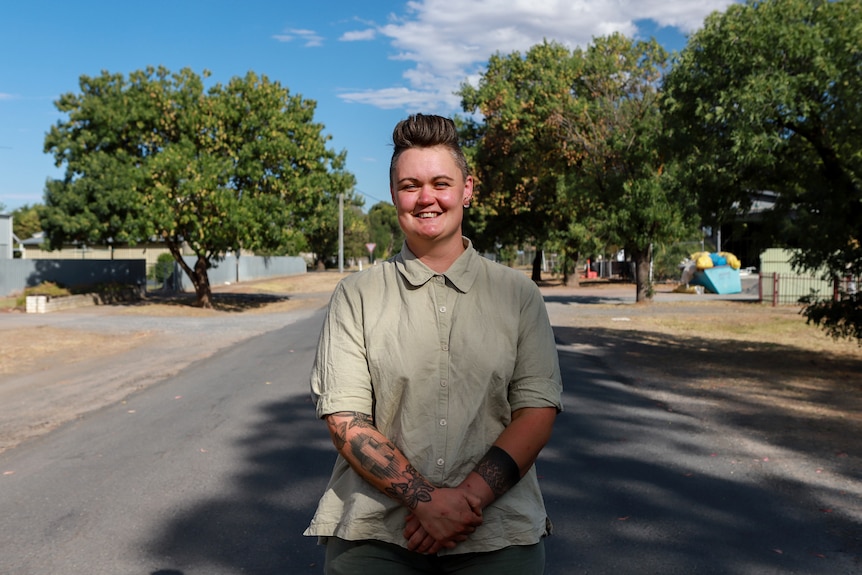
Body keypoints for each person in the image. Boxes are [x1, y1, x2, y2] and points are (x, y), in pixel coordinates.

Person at [304, 113, 563, 574]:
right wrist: (424, 502)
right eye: (410, 185)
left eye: (441, 183)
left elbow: (536, 410)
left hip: (498, 530)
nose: (427, 198)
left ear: (467, 188)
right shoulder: (356, 295)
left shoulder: (518, 295)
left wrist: (464, 501)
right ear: (394, 195)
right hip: (376, 532)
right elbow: (345, 418)